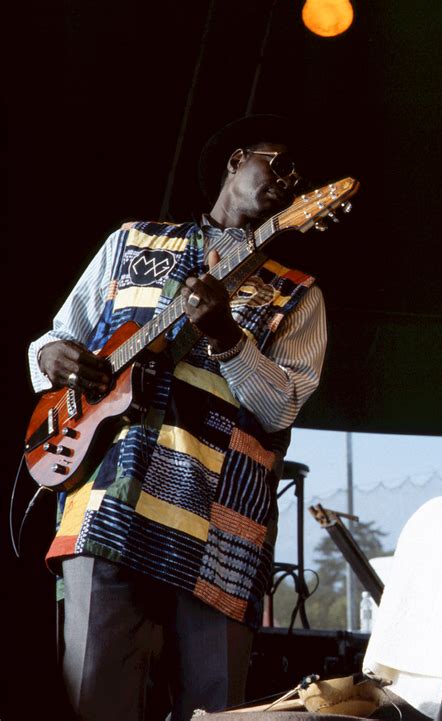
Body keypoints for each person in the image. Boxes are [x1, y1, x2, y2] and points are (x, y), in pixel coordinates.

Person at [28, 114, 328, 721]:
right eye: (280, 164)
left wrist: (226, 337)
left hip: (222, 525)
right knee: (95, 704)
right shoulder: (131, 242)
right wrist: (48, 357)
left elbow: (280, 408)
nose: (289, 182)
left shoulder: (298, 292)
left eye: (298, 182)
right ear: (237, 158)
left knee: (215, 712)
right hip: (108, 504)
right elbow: (57, 338)